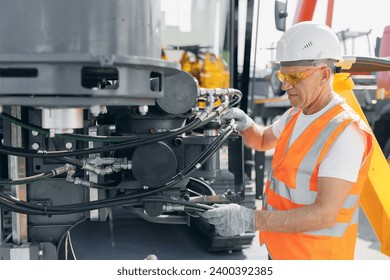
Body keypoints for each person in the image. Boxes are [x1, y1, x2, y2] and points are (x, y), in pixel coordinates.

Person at [203, 21, 374, 260]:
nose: (284, 85)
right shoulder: (296, 114)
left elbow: (324, 215)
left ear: (324, 74)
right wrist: (246, 125)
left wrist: (250, 219)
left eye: (294, 75)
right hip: (284, 250)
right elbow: (263, 140)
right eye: (282, 74)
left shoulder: (345, 132)